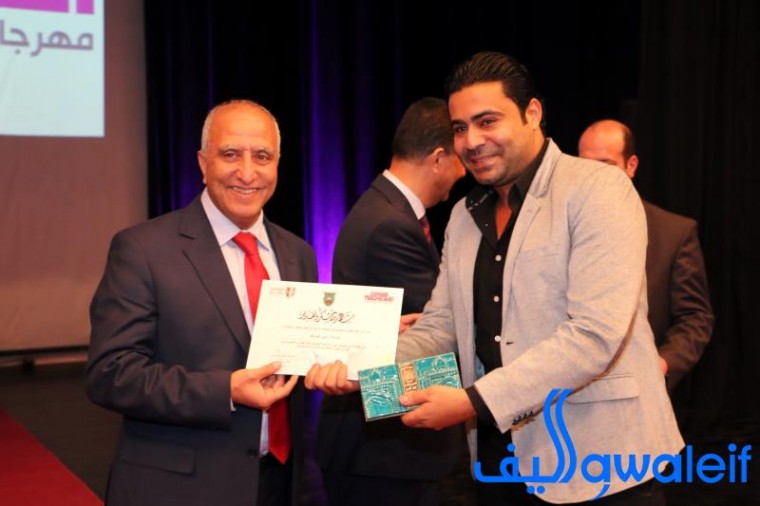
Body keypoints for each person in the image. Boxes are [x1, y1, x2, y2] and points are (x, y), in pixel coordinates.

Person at [306, 52, 683, 505]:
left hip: (602, 464)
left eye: (487, 121)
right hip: (499, 463)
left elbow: (593, 336)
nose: (471, 141)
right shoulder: (464, 216)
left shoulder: (597, 189)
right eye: (459, 128)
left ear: (532, 113)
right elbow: (441, 325)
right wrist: (364, 369)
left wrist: (472, 402)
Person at [85, 100, 318, 506]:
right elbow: (110, 373)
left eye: (262, 156)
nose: (247, 172)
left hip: (281, 482)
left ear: (278, 164)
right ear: (203, 162)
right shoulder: (143, 249)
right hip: (181, 489)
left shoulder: (298, 253)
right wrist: (225, 390)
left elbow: (304, 350)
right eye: (230, 154)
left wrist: (368, 339)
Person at [316, 97, 468, 506]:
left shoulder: (386, 209)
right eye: (460, 160)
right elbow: (438, 326)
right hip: (385, 454)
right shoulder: (391, 225)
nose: (463, 173)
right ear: (439, 158)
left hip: (384, 450)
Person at [578, 119, 714, 392]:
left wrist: (662, 364)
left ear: (631, 165)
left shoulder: (674, 232)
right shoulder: (562, 228)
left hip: (640, 390)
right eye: (585, 166)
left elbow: (694, 317)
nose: (594, 176)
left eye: (606, 165)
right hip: (573, 389)